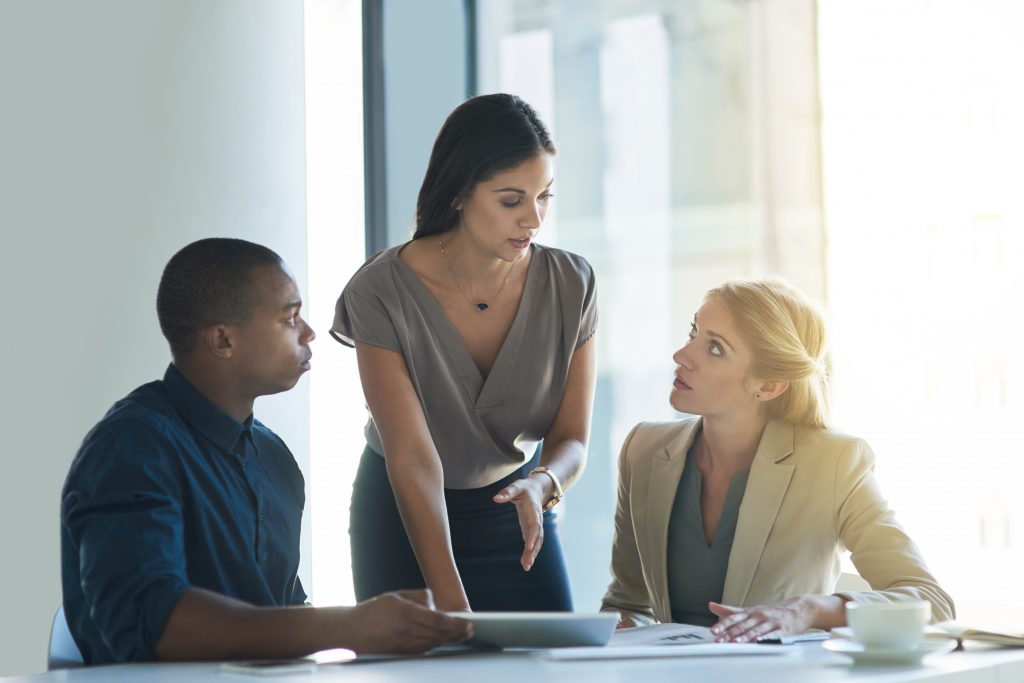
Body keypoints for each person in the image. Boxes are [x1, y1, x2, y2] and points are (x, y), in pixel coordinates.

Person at [61, 238, 470, 665]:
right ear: (222, 341)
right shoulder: (132, 448)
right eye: (290, 317)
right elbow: (153, 624)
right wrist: (351, 626)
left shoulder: (274, 458)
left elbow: (283, 615)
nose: (310, 332)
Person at [331, 94, 597, 613]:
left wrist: (543, 484)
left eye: (544, 197)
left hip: (519, 512)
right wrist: (449, 598)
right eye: (511, 200)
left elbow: (572, 440)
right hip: (405, 520)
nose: (534, 220)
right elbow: (411, 459)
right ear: (457, 193)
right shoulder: (379, 291)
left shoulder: (572, 283)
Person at [601, 279, 954, 642]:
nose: (682, 355)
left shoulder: (835, 463)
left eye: (715, 348)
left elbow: (931, 601)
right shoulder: (643, 450)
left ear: (768, 386)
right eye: (694, 333)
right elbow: (629, 605)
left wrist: (810, 610)